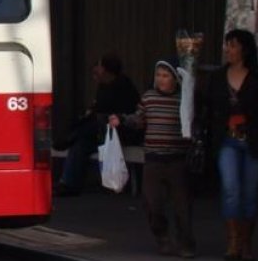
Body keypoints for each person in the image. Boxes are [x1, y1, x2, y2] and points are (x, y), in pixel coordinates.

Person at [197, 29, 258, 261]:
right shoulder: (217, 77)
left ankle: (247, 242)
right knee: (230, 188)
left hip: (254, 139)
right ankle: (233, 241)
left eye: (234, 45)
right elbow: (206, 106)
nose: (229, 50)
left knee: (249, 192)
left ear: (245, 49)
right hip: (227, 139)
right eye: (227, 45)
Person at [111, 60, 195, 258]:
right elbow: (138, 120)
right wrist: (122, 120)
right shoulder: (149, 98)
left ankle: (186, 242)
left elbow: (194, 121)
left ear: (176, 79)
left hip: (177, 160)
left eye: (166, 76)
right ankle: (163, 237)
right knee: (152, 202)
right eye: (158, 75)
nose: (161, 79)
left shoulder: (184, 99)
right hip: (153, 159)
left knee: (182, 205)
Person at [55, 52, 141, 196]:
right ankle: (68, 184)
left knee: (89, 127)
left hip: (120, 131)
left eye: (99, 65)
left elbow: (122, 114)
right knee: (81, 144)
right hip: (101, 132)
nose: (96, 68)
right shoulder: (103, 87)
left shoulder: (123, 86)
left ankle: (68, 138)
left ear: (107, 70)